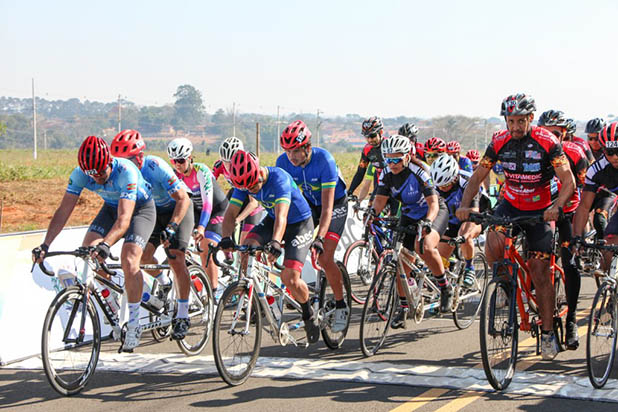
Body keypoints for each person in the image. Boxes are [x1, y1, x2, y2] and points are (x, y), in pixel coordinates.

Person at [456, 93, 575, 360]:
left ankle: (546, 333)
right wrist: (467, 205)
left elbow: (569, 182)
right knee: (493, 243)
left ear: (531, 118)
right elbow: (477, 177)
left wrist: (557, 206)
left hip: (540, 209)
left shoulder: (547, 141)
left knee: (540, 271)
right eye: (511, 121)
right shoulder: (499, 141)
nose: (516, 126)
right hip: (509, 204)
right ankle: (506, 288)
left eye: (521, 121)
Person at [32, 136, 155, 352]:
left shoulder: (125, 171)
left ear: (109, 162)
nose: (96, 178)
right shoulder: (81, 174)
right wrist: (45, 244)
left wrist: (106, 244)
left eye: (100, 172)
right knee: (88, 250)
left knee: (129, 258)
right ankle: (114, 300)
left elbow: (124, 220)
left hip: (140, 210)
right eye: (91, 174)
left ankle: (134, 323)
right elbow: (63, 211)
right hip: (110, 208)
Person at [219, 150, 321, 343]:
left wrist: (275, 242)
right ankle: (252, 294)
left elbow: (282, 216)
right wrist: (226, 238)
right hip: (272, 220)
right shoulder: (243, 182)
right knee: (247, 246)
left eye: (254, 184)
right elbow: (230, 214)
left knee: (290, 278)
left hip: (299, 224)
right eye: (248, 188)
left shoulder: (279, 178)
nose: (253, 190)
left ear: (258, 172)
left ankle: (308, 311)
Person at [110, 130, 194, 340]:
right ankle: (164, 282)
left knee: (175, 256)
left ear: (139, 157)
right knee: (143, 256)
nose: (124, 165)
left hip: (178, 209)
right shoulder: (122, 174)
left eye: (128, 160)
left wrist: (173, 226)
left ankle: (183, 315)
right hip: (154, 213)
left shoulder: (155, 167)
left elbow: (183, 199)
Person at [369, 135, 451, 328]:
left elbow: (433, 204)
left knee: (425, 246)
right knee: (401, 263)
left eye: (397, 159)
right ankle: (404, 308)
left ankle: (444, 286)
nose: (392, 163)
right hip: (409, 213)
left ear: (407, 156)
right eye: (389, 159)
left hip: (433, 211)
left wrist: (428, 223)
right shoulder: (386, 174)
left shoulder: (421, 171)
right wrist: (372, 214)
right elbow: (380, 200)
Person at [276, 120, 350, 332]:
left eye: (296, 151)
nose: (291, 157)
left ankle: (340, 304)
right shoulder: (283, 163)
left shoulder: (324, 160)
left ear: (307, 147)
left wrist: (320, 237)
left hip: (334, 205)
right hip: (308, 206)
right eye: (288, 151)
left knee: (325, 256)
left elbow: (327, 209)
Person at [537, 111, 589, 349]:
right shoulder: (532, 151)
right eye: (546, 132)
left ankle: (571, 320)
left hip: (568, 211)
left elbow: (581, 188)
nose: (550, 138)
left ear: (564, 134)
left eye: (555, 134)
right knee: (536, 259)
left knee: (569, 264)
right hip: (541, 210)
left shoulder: (576, 153)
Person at [167, 138, 229, 299]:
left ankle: (213, 294)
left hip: (217, 210)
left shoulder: (201, 171)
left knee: (205, 246)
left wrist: (201, 227)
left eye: (180, 160)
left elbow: (207, 203)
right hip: (196, 210)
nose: (177, 165)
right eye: (174, 161)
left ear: (190, 158)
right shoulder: (175, 175)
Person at [573, 122, 618, 282]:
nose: (615, 157)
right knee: (608, 244)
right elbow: (584, 206)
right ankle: (609, 289)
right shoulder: (596, 170)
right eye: (610, 152)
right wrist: (577, 237)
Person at [430, 154, 483, 288]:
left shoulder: (467, 181)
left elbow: (474, 210)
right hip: (452, 219)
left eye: (445, 185)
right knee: (441, 257)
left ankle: (469, 268)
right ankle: (444, 293)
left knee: (463, 236)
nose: (442, 189)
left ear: (454, 178)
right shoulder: (435, 184)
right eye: (439, 186)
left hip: (474, 216)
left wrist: (463, 237)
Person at [212, 136, 263, 243]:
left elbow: (253, 203)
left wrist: (237, 220)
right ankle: (228, 255)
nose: (228, 166)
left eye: (231, 162)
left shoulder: (248, 167)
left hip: (251, 202)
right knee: (224, 224)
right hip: (237, 195)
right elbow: (210, 188)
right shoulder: (218, 166)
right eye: (225, 162)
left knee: (244, 244)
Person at [583, 118, 614, 240]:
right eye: (590, 138)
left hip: (607, 192)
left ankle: (604, 247)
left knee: (599, 219)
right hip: (589, 189)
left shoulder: (610, 151)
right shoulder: (583, 150)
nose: (593, 142)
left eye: (596, 138)